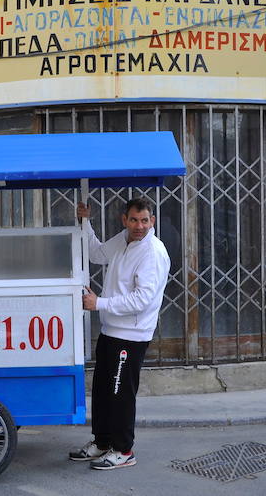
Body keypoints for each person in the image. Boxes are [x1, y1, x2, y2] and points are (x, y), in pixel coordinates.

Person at [68, 196, 171, 470]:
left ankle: (124, 450)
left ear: (153, 221)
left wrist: (98, 303)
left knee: (121, 393)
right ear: (124, 220)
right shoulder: (125, 239)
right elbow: (97, 254)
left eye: (145, 220)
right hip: (111, 329)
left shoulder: (153, 252)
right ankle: (102, 442)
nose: (139, 226)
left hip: (132, 335)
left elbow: (142, 300)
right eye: (134, 220)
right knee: (103, 390)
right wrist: (85, 220)